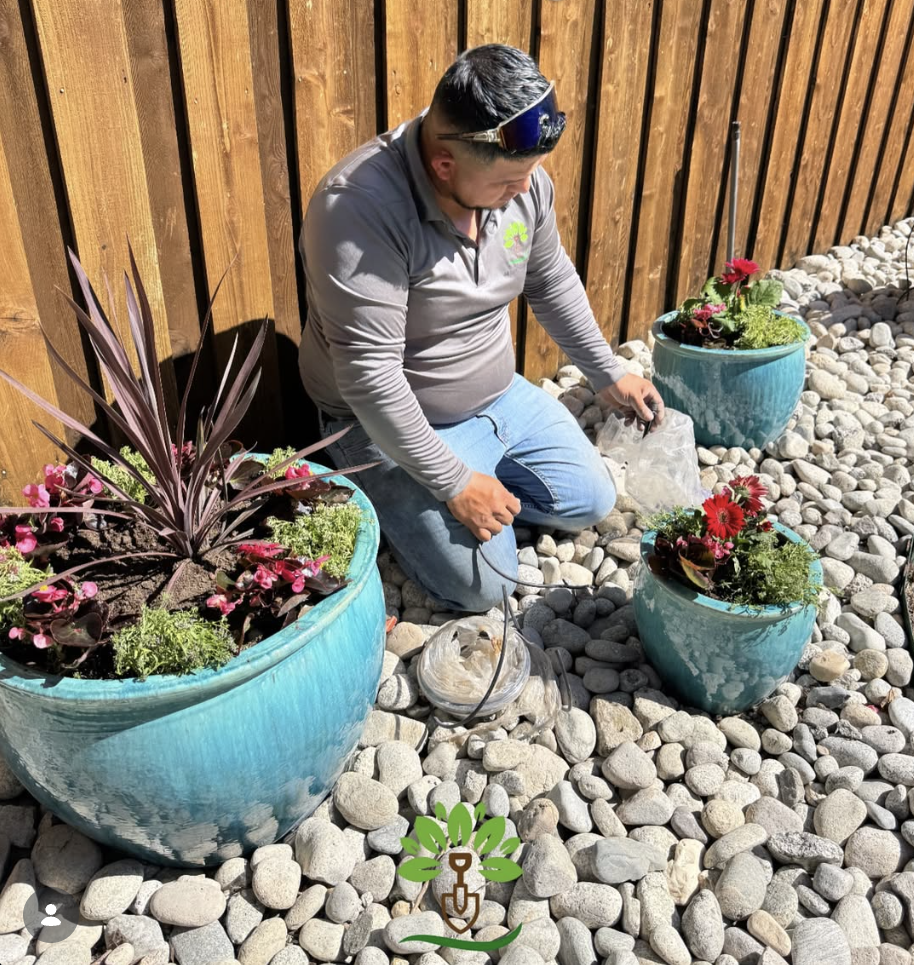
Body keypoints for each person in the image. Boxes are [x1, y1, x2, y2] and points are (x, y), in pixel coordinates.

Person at [298, 44, 664, 613]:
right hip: (386, 419)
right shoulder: (358, 210)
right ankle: (375, 486)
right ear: (444, 163)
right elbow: (370, 378)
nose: (526, 190)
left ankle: (484, 476)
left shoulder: (520, 184)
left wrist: (605, 370)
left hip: (497, 397)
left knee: (591, 500)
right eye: (510, 180)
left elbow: (549, 280)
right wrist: (452, 482)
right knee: (485, 586)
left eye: (531, 174)